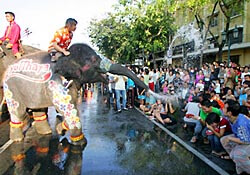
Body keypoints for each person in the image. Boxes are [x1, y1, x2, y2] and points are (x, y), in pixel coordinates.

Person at [220, 100, 250, 175]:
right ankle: (236, 160)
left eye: (224, 108)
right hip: (240, 136)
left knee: (237, 154)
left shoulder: (241, 123)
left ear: (229, 113)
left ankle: (247, 168)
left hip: (247, 140)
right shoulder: (232, 116)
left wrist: (230, 138)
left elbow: (245, 141)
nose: (222, 109)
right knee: (223, 140)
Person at [48, 18, 77, 88]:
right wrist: (63, 51)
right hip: (55, 49)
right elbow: (55, 44)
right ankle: (63, 80)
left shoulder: (70, 34)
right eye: (74, 25)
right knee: (60, 58)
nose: (75, 27)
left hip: (63, 50)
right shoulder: (60, 32)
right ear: (68, 25)